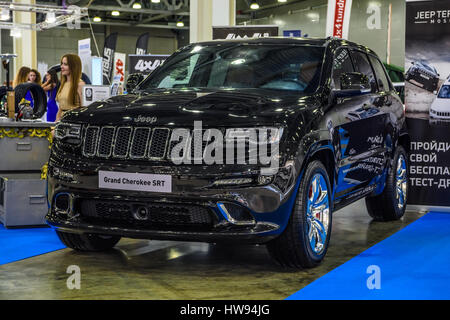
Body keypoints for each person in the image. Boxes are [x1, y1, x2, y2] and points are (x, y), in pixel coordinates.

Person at [55, 54, 85, 122]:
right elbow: (60, 108)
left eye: (65, 64)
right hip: (61, 122)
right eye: (62, 64)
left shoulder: (80, 85)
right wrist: (56, 124)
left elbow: (84, 108)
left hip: (73, 122)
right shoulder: (63, 84)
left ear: (73, 67)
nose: (61, 67)